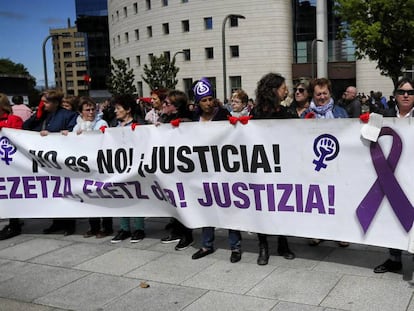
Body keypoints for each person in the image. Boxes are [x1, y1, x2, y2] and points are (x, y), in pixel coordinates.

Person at [190, 78, 243, 263]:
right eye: (204, 100)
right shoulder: (192, 120)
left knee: (230, 207)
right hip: (202, 171)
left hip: (224, 170)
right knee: (206, 207)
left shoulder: (223, 115)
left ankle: (235, 246)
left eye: (210, 99)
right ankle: (207, 244)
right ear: (198, 102)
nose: (208, 103)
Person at [251, 72, 297, 265]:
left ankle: (283, 242)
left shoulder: (285, 112)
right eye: (283, 87)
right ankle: (263, 246)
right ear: (273, 90)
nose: (286, 90)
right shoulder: (256, 114)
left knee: (282, 205)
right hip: (261, 167)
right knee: (262, 206)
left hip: (282, 167)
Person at [23, 89, 78, 235]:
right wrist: (37, 117)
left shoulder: (69, 115)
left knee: (66, 191)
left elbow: (74, 135)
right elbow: (25, 128)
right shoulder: (42, 116)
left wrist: (56, 135)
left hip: (63, 160)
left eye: (46, 102)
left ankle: (69, 224)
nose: (43, 104)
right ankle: (56, 222)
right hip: (46, 161)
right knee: (52, 192)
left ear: (55, 102)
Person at [373, 77, 414, 273]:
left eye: (410, 92)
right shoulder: (386, 114)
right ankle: (394, 258)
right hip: (391, 176)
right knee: (391, 216)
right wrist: (364, 123)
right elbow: (370, 135)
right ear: (395, 95)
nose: (406, 95)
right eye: (402, 92)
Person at [304, 78, 349, 247]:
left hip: (337, 163)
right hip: (314, 165)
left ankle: (341, 233)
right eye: (318, 94)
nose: (322, 97)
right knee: (315, 199)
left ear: (330, 93)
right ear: (313, 95)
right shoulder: (306, 114)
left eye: (325, 93)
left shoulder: (341, 113)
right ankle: (316, 232)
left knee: (338, 198)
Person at [157, 90, 194, 250]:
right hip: (169, 167)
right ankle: (176, 230)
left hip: (183, 169)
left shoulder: (186, 121)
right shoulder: (165, 119)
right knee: (173, 201)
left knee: (183, 201)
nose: (163, 106)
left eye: (167, 104)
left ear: (176, 107)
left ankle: (187, 234)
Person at [72, 96, 113, 239]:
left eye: (92, 109)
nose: (90, 112)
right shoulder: (77, 125)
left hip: (99, 164)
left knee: (103, 196)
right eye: (87, 110)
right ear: (80, 112)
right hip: (86, 166)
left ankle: (107, 226)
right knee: (89, 196)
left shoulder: (102, 122)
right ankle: (94, 226)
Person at [111, 94, 146, 243]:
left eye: (118, 108)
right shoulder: (113, 126)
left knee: (136, 196)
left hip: (135, 166)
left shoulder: (140, 125)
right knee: (121, 197)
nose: (115, 111)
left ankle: (139, 228)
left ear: (128, 109)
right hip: (119, 167)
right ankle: (124, 228)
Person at [0, 93, 24, 240]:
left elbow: (19, 139)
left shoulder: (14, 120)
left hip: (10, 162)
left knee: (11, 191)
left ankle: (14, 224)